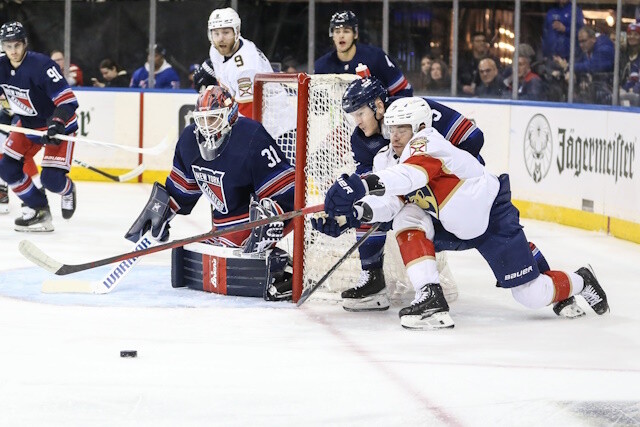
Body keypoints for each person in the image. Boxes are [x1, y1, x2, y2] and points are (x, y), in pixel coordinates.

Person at [318, 97, 609, 329]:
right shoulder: (386, 159)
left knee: (532, 295)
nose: (394, 136)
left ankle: (581, 280)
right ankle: (430, 295)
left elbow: (412, 177)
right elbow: (391, 203)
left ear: (419, 127)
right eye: (391, 129)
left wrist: (363, 183)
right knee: (407, 216)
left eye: (402, 129)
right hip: (451, 224)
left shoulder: (429, 142)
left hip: (491, 218)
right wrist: (353, 214)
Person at [312, 75, 484, 312]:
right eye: (354, 116)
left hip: (450, 190)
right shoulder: (361, 141)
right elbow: (372, 193)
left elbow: (473, 137)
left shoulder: (416, 111)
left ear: (379, 106)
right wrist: (346, 217)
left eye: (360, 113)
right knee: (374, 206)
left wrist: (447, 170)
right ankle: (373, 279)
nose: (357, 122)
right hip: (407, 194)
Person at [125, 85, 295, 299]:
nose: (206, 127)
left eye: (213, 119)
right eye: (202, 119)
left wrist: (270, 220)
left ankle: (286, 269)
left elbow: (285, 189)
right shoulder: (189, 140)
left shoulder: (251, 136)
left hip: (251, 224)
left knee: (271, 213)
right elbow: (182, 188)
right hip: (222, 230)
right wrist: (162, 211)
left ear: (230, 116)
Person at [0, 21, 79, 232]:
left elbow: (68, 102)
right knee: (7, 169)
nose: (13, 51)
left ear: (25, 43)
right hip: (26, 125)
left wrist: (57, 124)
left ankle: (68, 189)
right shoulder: (1, 66)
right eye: (8, 46)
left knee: (51, 180)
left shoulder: (42, 66)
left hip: (56, 126)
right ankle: (39, 209)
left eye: (16, 45)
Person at [192, 7, 272, 118]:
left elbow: (248, 117)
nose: (221, 39)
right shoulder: (215, 50)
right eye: (216, 33)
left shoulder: (245, 69)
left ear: (237, 32)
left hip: (276, 129)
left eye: (226, 32)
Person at [314, 10, 413, 97]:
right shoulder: (322, 66)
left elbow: (404, 91)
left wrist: (384, 112)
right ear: (332, 35)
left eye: (346, 31)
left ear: (355, 34)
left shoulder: (376, 57)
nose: (341, 36)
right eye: (337, 31)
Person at [458, 32, 500, 96]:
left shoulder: (493, 60)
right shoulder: (464, 60)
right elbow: (455, 79)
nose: (481, 43)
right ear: (472, 43)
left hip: (486, 95)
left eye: (483, 41)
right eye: (478, 41)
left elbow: (498, 79)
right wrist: (462, 87)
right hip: (464, 96)